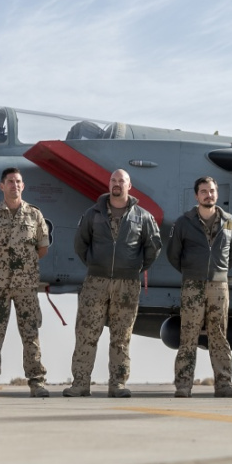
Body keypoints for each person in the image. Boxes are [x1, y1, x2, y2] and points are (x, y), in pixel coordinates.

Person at [65, 169, 162, 398]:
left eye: (121, 181)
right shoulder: (93, 214)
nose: (117, 184)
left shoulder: (143, 217)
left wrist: (134, 267)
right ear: (109, 184)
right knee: (86, 333)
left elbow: (153, 248)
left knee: (121, 336)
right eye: (113, 180)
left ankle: (117, 384)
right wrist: (95, 265)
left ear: (129, 186)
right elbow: (80, 244)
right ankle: (80, 384)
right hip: (95, 282)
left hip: (127, 284)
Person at [0, 168, 51, 398]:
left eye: (18, 181)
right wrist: (0, 266)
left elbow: (42, 248)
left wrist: (23, 267)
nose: (14, 185)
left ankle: (36, 382)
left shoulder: (34, 215)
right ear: (2, 186)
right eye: (10, 181)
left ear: (23, 186)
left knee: (31, 335)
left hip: (26, 286)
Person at [166, 176, 232, 398]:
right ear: (196, 196)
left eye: (211, 191)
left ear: (216, 194)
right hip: (192, 285)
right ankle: (183, 386)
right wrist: (192, 271)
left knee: (218, 335)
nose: (208, 195)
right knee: (188, 335)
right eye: (203, 191)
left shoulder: (229, 222)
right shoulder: (184, 222)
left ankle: (224, 385)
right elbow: (173, 254)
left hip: (219, 287)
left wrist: (218, 271)